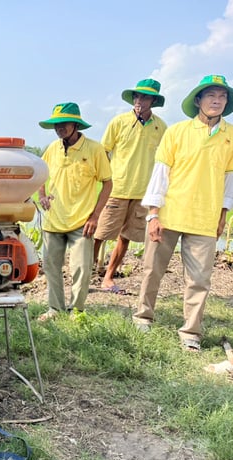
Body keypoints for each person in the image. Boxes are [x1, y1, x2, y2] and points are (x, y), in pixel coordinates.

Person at [133, 75, 233, 352]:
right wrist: (153, 215)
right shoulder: (177, 132)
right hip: (169, 213)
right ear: (198, 100)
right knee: (153, 269)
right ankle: (143, 316)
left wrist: (222, 214)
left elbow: (229, 180)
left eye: (222, 96)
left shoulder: (231, 136)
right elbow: (160, 174)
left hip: (205, 217)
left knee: (200, 279)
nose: (216, 100)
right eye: (210, 95)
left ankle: (191, 332)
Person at [37, 102, 112, 320]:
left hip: (81, 220)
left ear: (76, 124)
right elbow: (41, 174)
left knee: (81, 268)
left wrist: (96, 216)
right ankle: (55, 308)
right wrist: (41, 196)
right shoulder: (53, 148)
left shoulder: (94, 149)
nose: (59, 127)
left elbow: (108, 183)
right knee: (51, 267)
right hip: (54, 220)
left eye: (64, 123)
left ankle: (76, 310)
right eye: (56, 124)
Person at [94, 79, 168, 293]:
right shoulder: (119, 122)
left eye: (144, 97)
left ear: (153, 100)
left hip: (144, 193)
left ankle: (108, 277)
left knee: (126, 237)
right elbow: (103, 152)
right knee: (100, 233)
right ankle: (87, 273)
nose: (139, 100)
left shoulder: (160, 127)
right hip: (117, 189)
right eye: (136, 96)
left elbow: (164, 160)